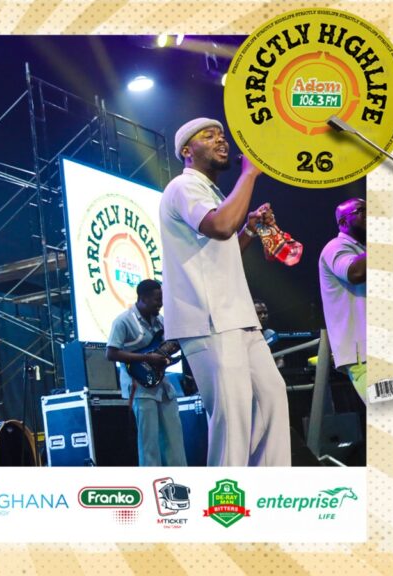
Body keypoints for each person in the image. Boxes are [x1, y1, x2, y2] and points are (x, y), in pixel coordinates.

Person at [158, 117, 291, 466]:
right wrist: (249, 175)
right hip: (209, 319)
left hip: (238, 317)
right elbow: (220, 227)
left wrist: (250, 229)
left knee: (272, 398)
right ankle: (225, 496)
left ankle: (272, 490)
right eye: (208, 136)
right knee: (233, 418)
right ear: (187, 151)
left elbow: (222, 248)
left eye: (222, 135)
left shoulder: (213, 194)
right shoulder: (183, 186)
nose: (221, 140)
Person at [105, 279, 187, 466]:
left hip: (162, 384)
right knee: (149, 443)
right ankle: (152, 481)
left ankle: (180, 478)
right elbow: (110, 353)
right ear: (142, 298)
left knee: (175, 439)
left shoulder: (160, 321)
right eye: (157, 300)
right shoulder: (123, 321)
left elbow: (167, 347)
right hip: (139, 387)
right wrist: (147, 358)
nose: (161, 304)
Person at [319, 198, 366, 401]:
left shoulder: (365, 250)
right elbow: (355, 273)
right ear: (343, 222)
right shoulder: (335, 247)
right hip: (364, 353)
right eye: (363, 210)